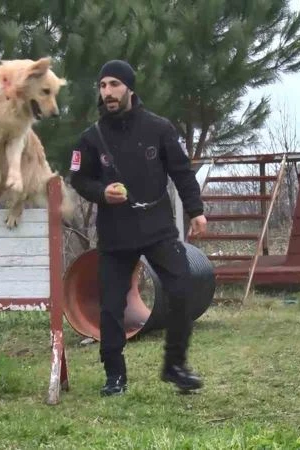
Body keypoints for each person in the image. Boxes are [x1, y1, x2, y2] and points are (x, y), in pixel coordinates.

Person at [67, 59, 208, 396]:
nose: (108, 92)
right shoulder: (91, 138)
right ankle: (115, 375)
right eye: (103, 86)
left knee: (182, 288)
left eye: (114, 84)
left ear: (129, 87)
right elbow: (79, 179)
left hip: (157, 228)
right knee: (111, 305)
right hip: (115, 235)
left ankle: (175, 365)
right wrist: (102, 193)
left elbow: (181, 172)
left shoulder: (158, 129)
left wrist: (196, 211)